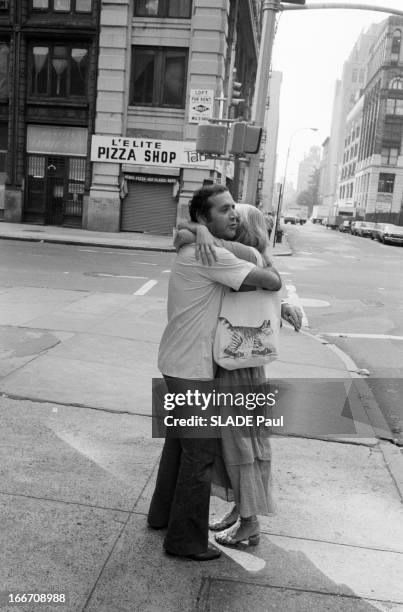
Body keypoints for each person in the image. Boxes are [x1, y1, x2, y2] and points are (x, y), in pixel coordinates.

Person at [147, 185, 284, 561]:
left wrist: (196, 228)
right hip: (192, 369)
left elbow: (182, 231)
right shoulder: (210, 255)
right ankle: (184, 541)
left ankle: (160, 516)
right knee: (199, 457)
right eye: (224, 211)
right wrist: (202, 233)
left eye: (233, 209)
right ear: (206, 218)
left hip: (176, 362)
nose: (233, 215)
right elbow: (271, 280)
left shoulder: (198, 246)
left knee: (178, 447)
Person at [175, 203, 302, 548]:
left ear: (244, 228)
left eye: (235, 218)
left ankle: (250, 523)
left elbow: (182, 235)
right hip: (241, 363)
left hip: (238, 368)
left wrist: (198, 230)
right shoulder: (250, 258)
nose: (228, 221)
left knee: (240, 442)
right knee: (238, 441)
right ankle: (239, 510)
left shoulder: (243, 258)